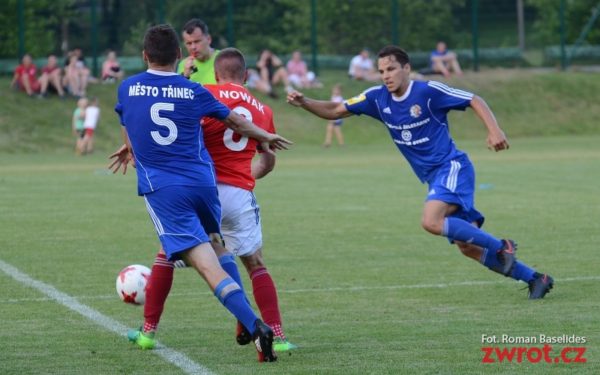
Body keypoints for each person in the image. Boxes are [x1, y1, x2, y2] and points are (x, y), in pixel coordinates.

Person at [288, 45, 554, 299]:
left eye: (391, 69)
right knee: (468, 248)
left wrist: (495, 130)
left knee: (431, 221)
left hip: (452, 167)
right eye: (381, 71)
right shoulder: (376, 98)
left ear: (406, 68)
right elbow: (335, 109)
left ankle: (502, 246)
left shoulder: (428, 92)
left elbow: (474, 98)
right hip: (434, 178)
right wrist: (305, 102)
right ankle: (535, 279)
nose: (386, 76)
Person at [109, 24, 291, 362]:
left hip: (165, 190)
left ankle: (253, 325)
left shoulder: (128, 87)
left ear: (145, 56)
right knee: (221, 250)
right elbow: (236, 122)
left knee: (202, 266)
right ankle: (252, 324)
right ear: (179, 55)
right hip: (205, 186)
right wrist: (263, 136)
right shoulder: (193, 91)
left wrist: (129, 147)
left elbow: (130, 129)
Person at [177, 18, 218, 84]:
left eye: (197, 41)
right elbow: (179, 92)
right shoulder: (183, 65)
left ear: (208, 39)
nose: (193, 47)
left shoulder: (224, 60)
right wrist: (185, 76)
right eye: (189, 43)